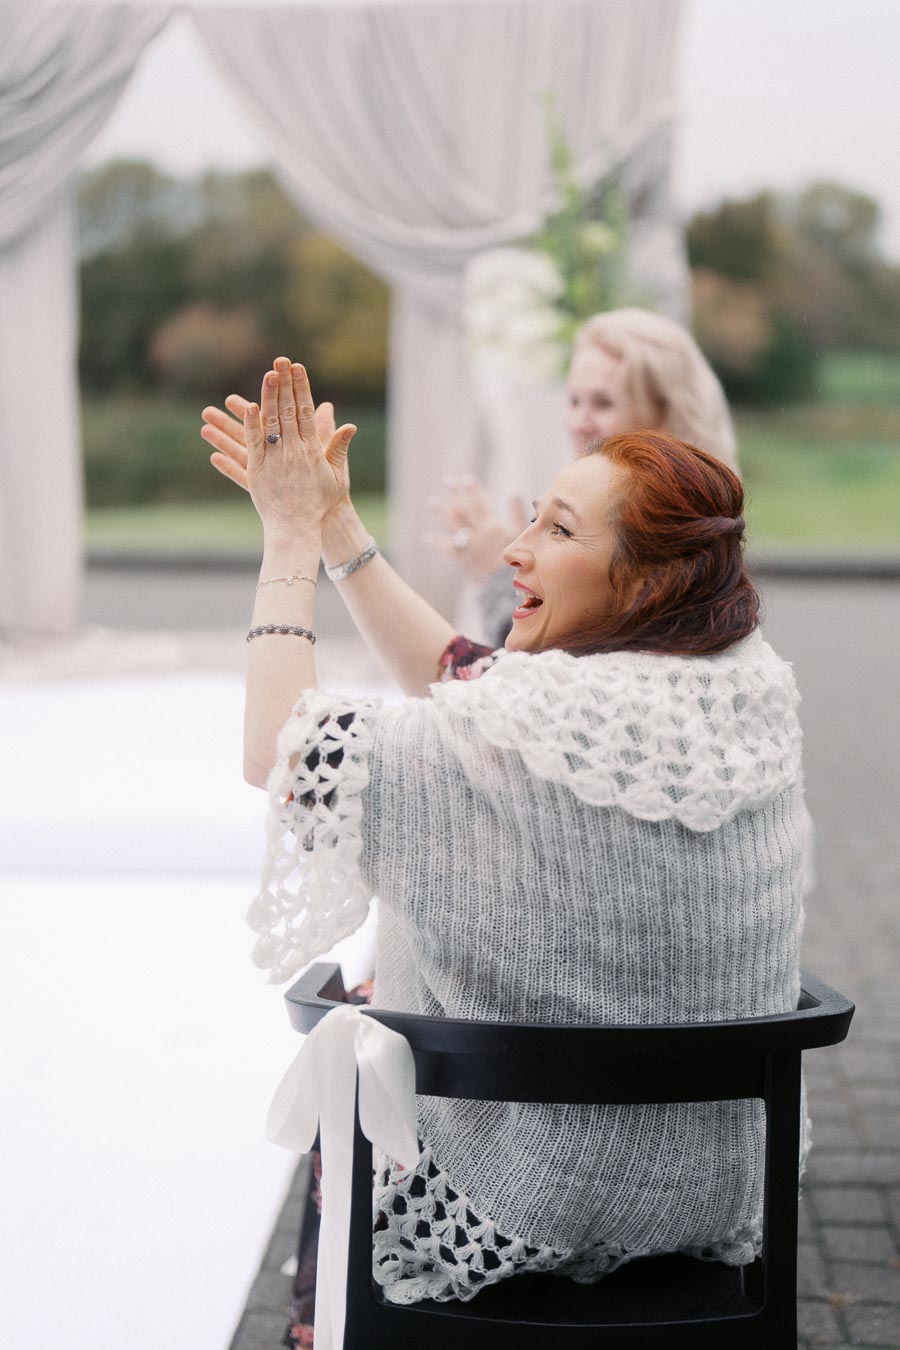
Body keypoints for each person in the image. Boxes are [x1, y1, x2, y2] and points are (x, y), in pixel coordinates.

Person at [233, 355, 808, 1332]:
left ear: (651, 577)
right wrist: (340, 528)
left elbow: (280, 753)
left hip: (527, 1192)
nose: (517, 548)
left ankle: (320, 1331)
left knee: (362, 1012)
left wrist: (287, 540)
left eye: (557, 529)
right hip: (713, 1188)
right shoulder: (744, 685)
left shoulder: (518, 736)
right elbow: (468, 677)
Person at [426, 307, 741, 648]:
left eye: (603, 403)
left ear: (664, 411)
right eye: (574, 400)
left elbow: (578, 662)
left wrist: (501, 580)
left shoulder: (686, 526)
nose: (579, 421)